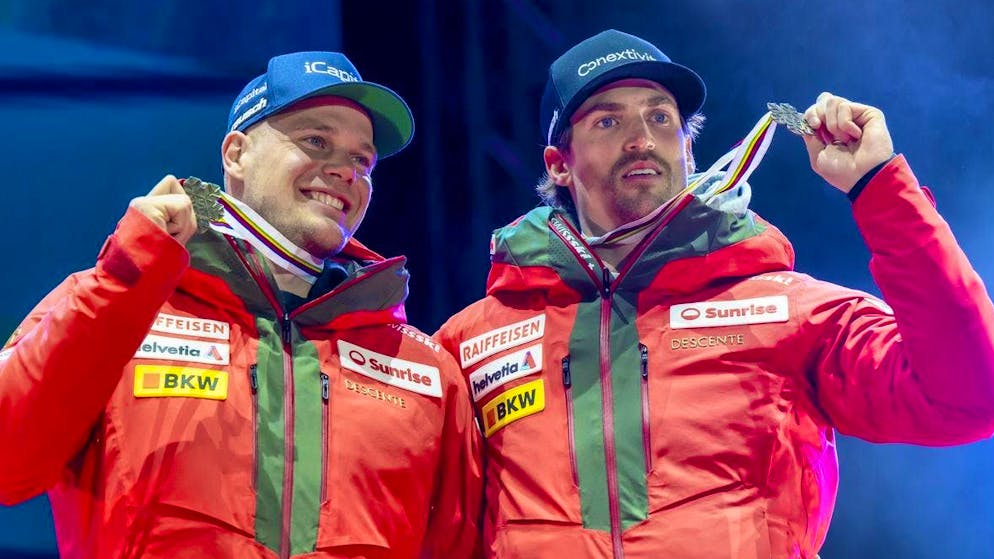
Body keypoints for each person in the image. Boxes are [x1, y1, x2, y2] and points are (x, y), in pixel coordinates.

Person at [434, 29, 994, 558]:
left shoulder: (788, 312)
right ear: (559, 164)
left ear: (687, 147)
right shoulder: (470, 344)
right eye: (608, 121)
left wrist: (879, 187)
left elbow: (972, 393)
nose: (641, 139)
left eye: (660, 117)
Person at [0, 51, 481, 559]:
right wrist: (129, 276)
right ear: (236, 154)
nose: (345, 170)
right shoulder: (117, 300)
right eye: (316, 141)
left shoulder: (425, 371)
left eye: (362, 160)